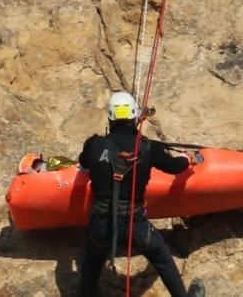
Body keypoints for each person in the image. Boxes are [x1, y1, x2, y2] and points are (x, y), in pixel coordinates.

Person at [77, 91, 205, 297]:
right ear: (135, 118)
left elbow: (83, 165)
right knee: (161, 255)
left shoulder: (93, 145)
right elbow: (173, 167)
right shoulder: (148, 147)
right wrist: (184, 158)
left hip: (100, 223)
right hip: (133, 224)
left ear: (110, 118)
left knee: (92, 260)